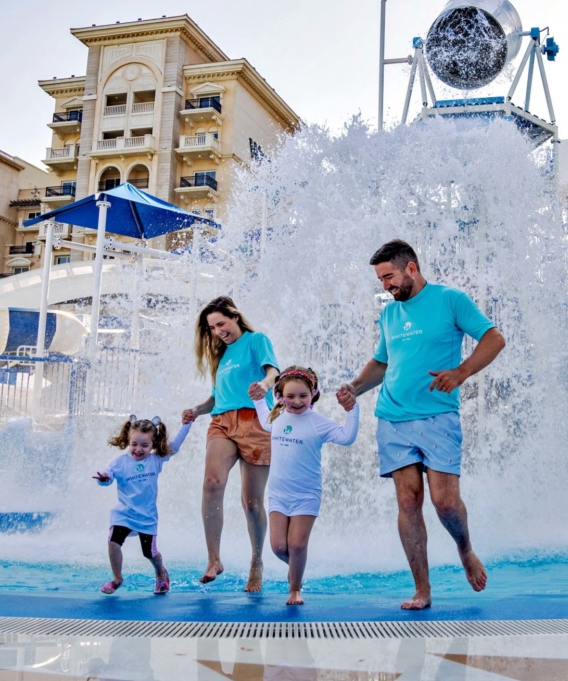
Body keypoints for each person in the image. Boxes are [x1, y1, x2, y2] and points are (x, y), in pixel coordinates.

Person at [337, 239, 505, 610]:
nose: (385, 286)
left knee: (445, 503)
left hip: (438, 416)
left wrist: (462, 372)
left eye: (389, 277)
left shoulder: (450, 300)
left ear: (411, 268)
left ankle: (465, 550)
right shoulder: (389, 315)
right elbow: (382, 363)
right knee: (408, 501)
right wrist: (354, 388)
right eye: (381, 280)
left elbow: (495, 338)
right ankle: (422, 589)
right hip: (393, 418)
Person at [186, 296, 279, 592]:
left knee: (251, 503)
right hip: (222, 422)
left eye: (221, 324)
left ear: (235, 317)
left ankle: (256, 562)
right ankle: (214, 559)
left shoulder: (256, 340)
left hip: (256, 422)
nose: (218, 331)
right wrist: (197, 410)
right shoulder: (220, 356)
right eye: (212, 327)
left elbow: (273, 372)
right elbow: (217, 398)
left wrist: (264, 386)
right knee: (212, 483)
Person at [247, 366, 359, 605]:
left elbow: (346, 437)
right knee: (278, 547)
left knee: (297, 544)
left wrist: (352, 410)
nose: (297, 401)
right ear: (279, 396)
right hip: (278, 494)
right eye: (290, 396)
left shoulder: (318, 423)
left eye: (303, 396)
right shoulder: (276, 417)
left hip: (306, 494)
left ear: (314, 394)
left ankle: (295, 589)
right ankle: (296, 568)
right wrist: (258, 400)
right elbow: (265, 423)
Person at [94, 414, 194, 595]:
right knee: (113, 542)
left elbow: (176, 446)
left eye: (144, 445)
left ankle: (161, 573)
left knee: (149, 552)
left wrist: (187, 425)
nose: (138, 449)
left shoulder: (156, 459)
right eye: (134, 444)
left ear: (153, 444)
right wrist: (104, 479)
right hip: (124, 514)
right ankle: (117, 578)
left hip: (147, 517)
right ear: (128, 441)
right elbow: (107, 476)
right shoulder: (119, 463)